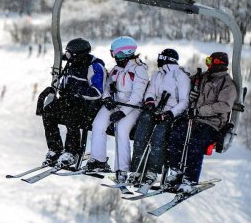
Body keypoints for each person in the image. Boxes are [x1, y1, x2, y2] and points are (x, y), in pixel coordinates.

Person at [165, 52, 237, 192]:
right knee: (176, 135)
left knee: (195, 143)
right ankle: (175, 171)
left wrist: (200, 111)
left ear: (218, 63)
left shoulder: (227, 84)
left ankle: (189, 179)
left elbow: (224, 105)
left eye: (210, 61)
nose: (207, 64)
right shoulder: (202, 77)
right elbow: (186, 84)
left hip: (212, 123)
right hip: (193, 119)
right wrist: (190, 93)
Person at [84, 36, 149, 180]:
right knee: (98, 124)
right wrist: (107, 98)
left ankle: (122, 169)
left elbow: (137, 96)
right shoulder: (116, 69)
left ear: (126, 53)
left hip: (131, 107)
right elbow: (107, 85)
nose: (115, 57)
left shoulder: (140, 70)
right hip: (114, 103)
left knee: (121, 130)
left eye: (117, 54)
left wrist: (122, 113)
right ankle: (98, 160)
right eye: (113, 54)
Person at [128, 48, 190, 191]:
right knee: (141, 135)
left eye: (161, 57)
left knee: (158, 138)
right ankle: (137, 169)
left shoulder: (180, 76)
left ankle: (152, 172)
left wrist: (170, 113)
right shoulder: (158, 75)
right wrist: (149, 101)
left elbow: (184, 101)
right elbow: (150, 90)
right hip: (155, 109)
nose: (158, 60)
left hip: (171, 113)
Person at [38, 38, 105, 169]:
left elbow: (97, 92)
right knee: (48, 112)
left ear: (78, 54)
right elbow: (65, 84)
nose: (68, 57)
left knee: (72, 114)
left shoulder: (94, 66)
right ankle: (55, 149)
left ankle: (71, 151)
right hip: (69, 101)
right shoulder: (72, 64)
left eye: (70, 54)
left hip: (87, 105)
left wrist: (77, 92)